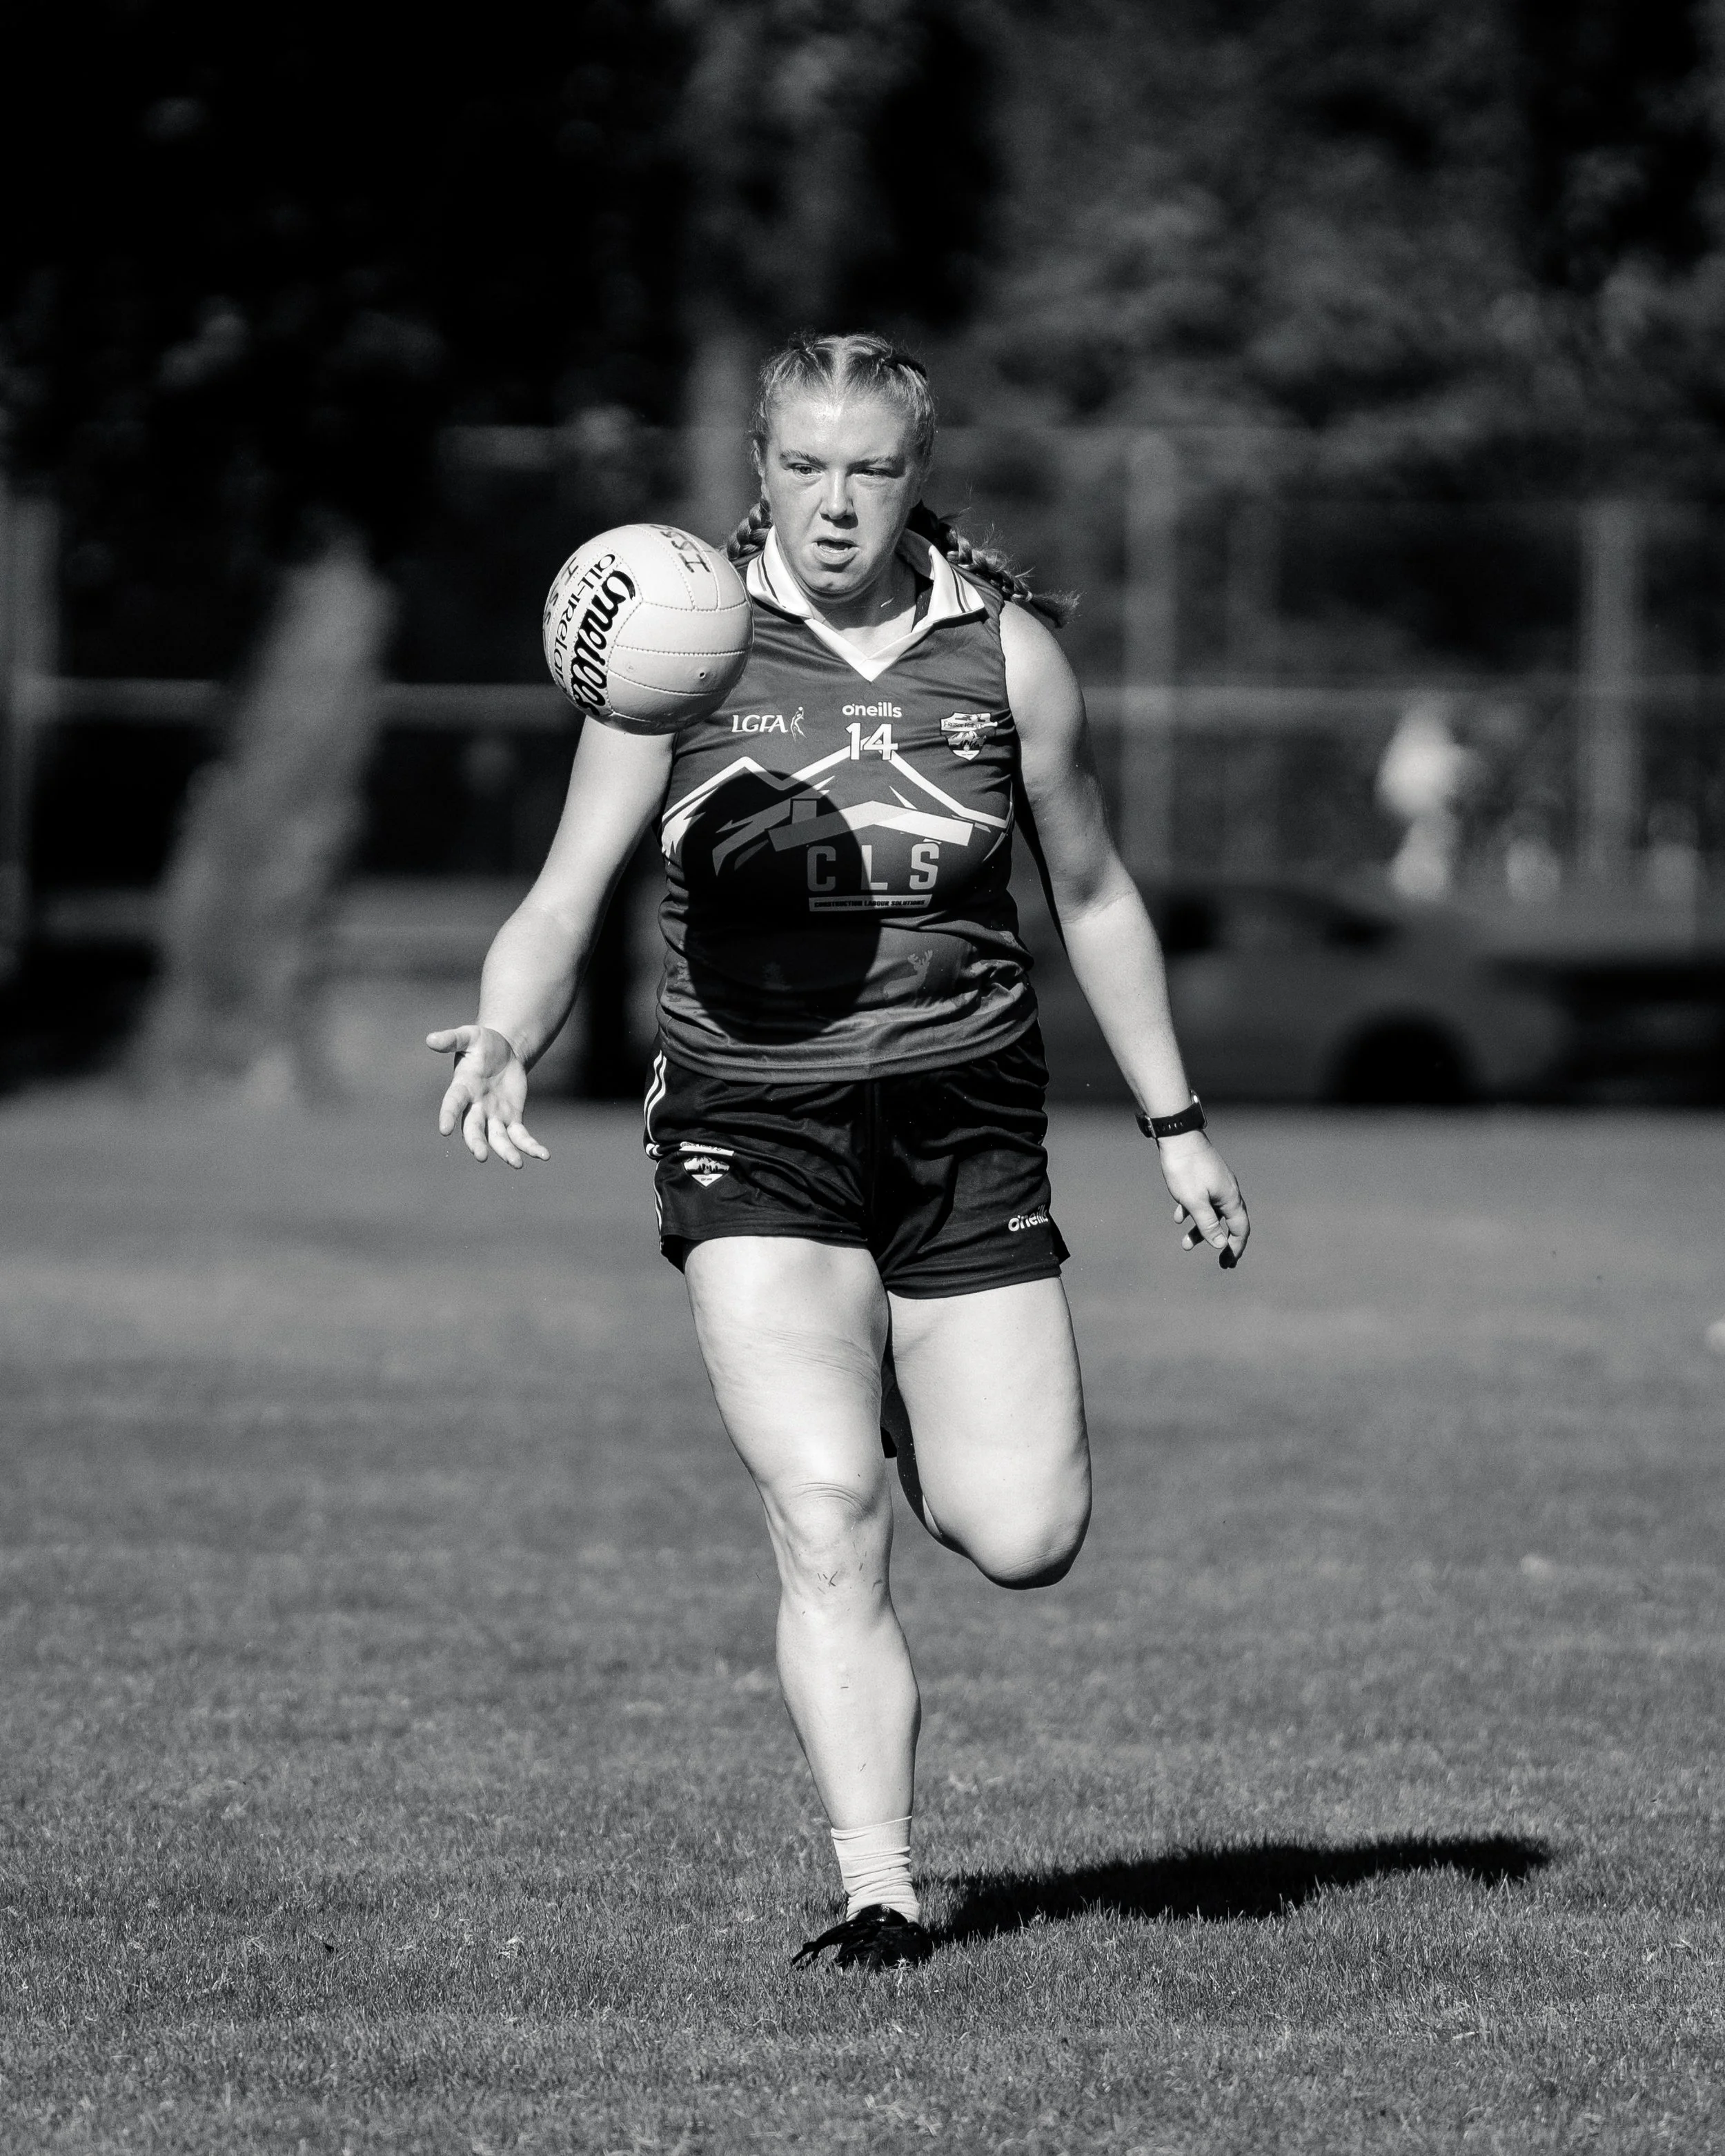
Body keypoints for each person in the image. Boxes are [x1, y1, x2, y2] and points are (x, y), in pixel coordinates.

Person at [428, 331, 1250, 1972]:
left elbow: (1088, 893)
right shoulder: (678, 648)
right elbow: (563, 891)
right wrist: (508, 1025)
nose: (834, 503)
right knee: (822, 1507)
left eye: (869, 468)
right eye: (802, 465)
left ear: (914, 476)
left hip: (962, 1123)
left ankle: (886, 1364)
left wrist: (1174, 1125)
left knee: (1023, 1535)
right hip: (754, 1122)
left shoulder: (1002, 658)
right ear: (757, 469)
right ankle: (880, 1888)